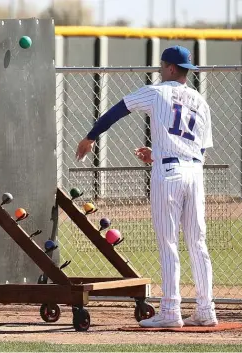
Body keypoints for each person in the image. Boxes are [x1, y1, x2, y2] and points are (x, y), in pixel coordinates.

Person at [75, 46, 217, 328]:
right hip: (194, 172)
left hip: (169, 174)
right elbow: (200, 148)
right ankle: (206, 309)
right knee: (197, 243)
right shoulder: (201, 101)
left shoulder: (157, 91)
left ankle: (170, 311)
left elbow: (118, 109)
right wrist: (159, 153)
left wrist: (90, 136)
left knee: (168, 243)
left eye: (163, 65)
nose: (161, 69)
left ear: (172, 69)